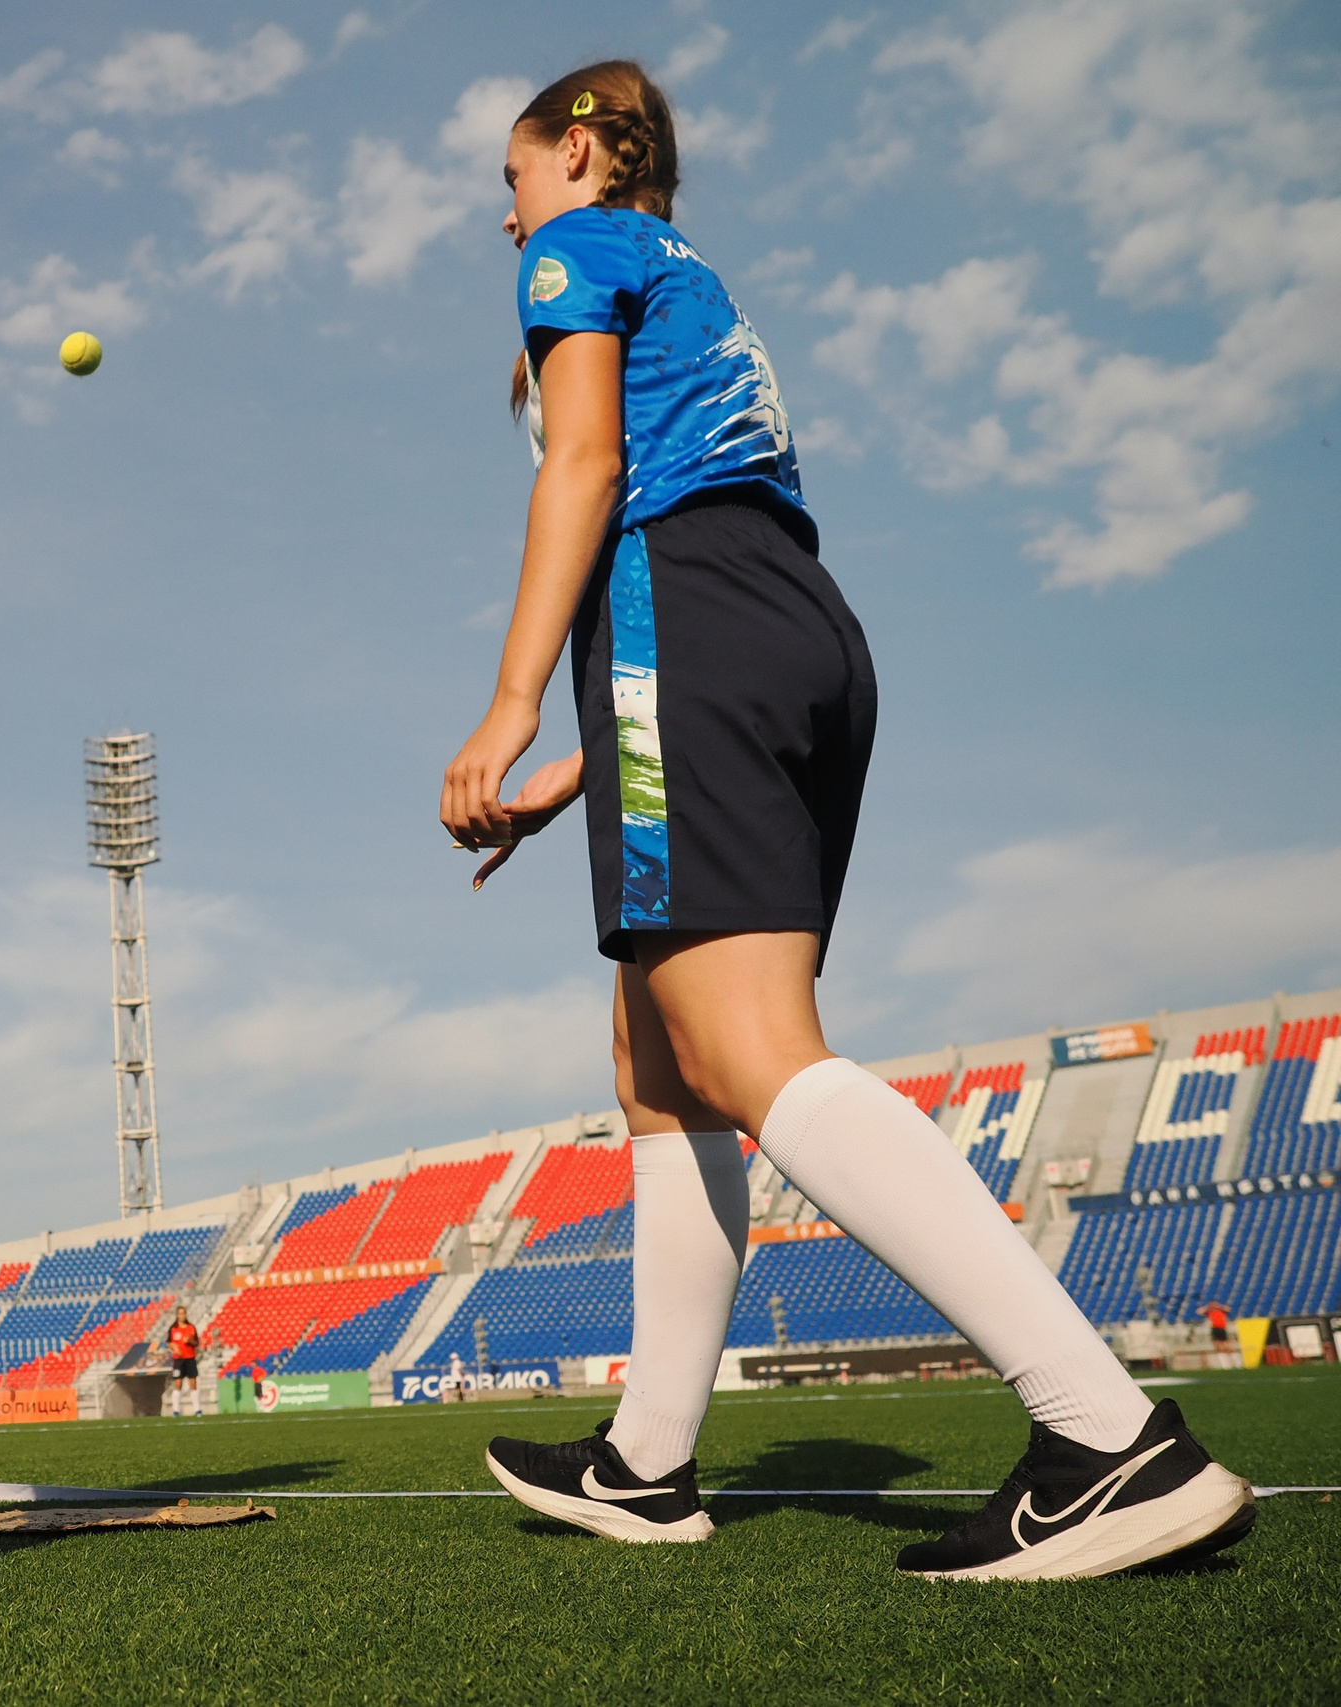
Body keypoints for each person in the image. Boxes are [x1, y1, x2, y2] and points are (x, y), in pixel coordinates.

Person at [446, 61, 1255, 1582]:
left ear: (579, 148)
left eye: (515, 177)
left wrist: (509, 706)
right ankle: (649, 1460)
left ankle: (1108, 1437)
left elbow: (589, 464)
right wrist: (587, 762)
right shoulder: (696, 276)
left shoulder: (583, 247)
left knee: (748, 1044)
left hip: (685, 622)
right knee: (660, 1056)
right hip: (789, 625)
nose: (507, 216)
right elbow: (717, 511)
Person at [164, 1306, 202, 1418]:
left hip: (190, 1358)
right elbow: (168, 1342)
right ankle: (176, 1411)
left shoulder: (191, 1328)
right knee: (178, 1384)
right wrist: (173, 1347)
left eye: (183, 1313)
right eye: (180, 1313)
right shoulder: (173, 1329)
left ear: (186, 1314)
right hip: (178, 1360)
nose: (182, 1315)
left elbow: (196, 1343)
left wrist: (189, 1340)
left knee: (193, 1384)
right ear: (177, 1315)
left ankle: (197, 1410)